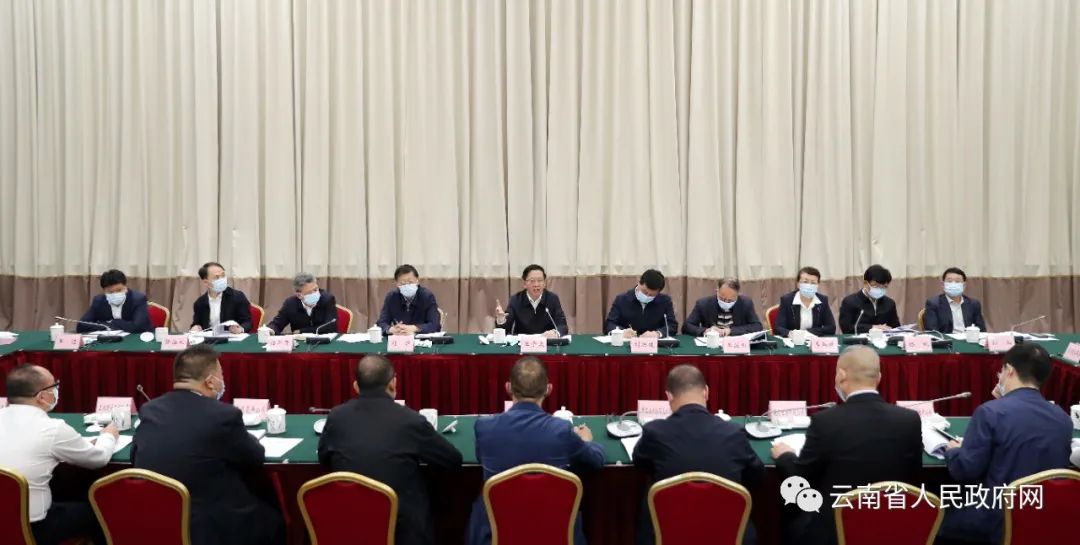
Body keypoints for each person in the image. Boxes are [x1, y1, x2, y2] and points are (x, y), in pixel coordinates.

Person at [132, 345, 283, 545]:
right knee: (274, 518)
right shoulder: (223, 415)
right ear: (211, 382)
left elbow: (135, 456)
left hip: (156, 522)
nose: (223, 380)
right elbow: (255, 457)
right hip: (208, 528)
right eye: (221, 375)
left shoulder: (149, 410)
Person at [771, 346, 921, 545]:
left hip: (834, 530)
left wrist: (785, 456)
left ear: (841, 375)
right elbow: (914, 477)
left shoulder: (825, 421)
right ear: (879, 377)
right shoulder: (909, 419)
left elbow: (801, 480)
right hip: (891, 525)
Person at [318, 355, 463, 545]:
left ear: (356, 386)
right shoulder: (410, 420)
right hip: (401, 531)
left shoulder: (336, 416)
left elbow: (324, 459)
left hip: (348, 525)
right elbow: (453, 460)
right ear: (393, 384)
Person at [937, 344, 1073, 545]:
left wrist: (954, 451)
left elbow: (965, 470)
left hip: (995, 519)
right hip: (1044, 517)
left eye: (1001, 371)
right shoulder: (1063, 418)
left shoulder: (990, 413)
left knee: (932, 517)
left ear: (1009, 370)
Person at [466, 357, 605, 545]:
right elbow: (596, 460)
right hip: (554, 531)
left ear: (508, 388)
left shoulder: (484, 427)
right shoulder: (561, 430)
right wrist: (586, 442)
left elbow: (480, 458)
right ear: (549, 389)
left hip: (495, 533)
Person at [633, 365, 764, 545]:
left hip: (668, 534)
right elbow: (757, 475)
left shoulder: (655, 432)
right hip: (728, 535)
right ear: (706, 392)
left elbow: (640, 463)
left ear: (669, 396)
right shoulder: (734, 433)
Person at [0, 364, 117, 545]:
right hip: (32, 527)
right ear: (41, 397)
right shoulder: (52, 429)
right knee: (97, 511)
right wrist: (108, 435)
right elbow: (99, 458)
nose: (56, 390)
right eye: (54, 386)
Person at [494, 264, 569, 337]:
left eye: (540, 280)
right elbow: (505, 330)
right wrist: (501, 320)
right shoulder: (516, 300)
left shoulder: (552, 299)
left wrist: (556, 333)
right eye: (532, 281)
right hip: (523, 343)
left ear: (544, 283)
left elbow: (562, 325)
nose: (536, 284)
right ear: (524, 283)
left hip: (546, 342)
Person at [604, 269, 678, 337]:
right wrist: (621, 332)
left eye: (651, 295)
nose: (647, 296)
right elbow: (609, 324)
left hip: (653, 343)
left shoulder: (665, 301)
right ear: (639, 282)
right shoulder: (621, 299)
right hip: (626, 342)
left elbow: (672, 325)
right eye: (645, 292)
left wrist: (658, 333)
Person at [76, 269, 153, 334]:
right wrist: (107, 325)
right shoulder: (99, 301)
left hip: (138, 340)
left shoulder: (138, 299)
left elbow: (138, 327)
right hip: (110, 342)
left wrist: (113, 323)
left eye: (119, 290)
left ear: (125, 286)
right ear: (104, 291)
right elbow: (82, 325)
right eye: (110, 292)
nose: (115, 294)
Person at [682, 277, 763, 337]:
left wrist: (731, 331)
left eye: (730, 300)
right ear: (717, 291)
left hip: (734, 345)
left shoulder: (745, 303)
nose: (726, 302)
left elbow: (757, 326)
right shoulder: (703, 304)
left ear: (737, 295)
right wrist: (706, 331)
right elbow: (687, 326)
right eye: (722, 299)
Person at [376, 264, 441, 335]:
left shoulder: (427, 296)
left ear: (417, 281)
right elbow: (381, 323)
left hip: (420, 338)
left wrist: (414, 328)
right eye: (403, 283)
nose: (407, 286)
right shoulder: (391, 297)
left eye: (410, 282)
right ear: (397, 284)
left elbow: (435, 325)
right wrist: (391, 329)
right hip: (399, 338)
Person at [772, 267, 836, 337]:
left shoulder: (822, 300)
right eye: (805, 282)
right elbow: (778, 328)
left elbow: (831, 327)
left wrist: (807, 333)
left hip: (814, 340)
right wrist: (790, 334)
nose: (809, 286)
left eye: (813, 283)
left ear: (818, 285)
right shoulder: (787, 300)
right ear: (798, 284)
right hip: (793, 340)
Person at [266, 272, 339, 334]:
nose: (315, 293)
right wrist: (270, 330)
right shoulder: (290, 304)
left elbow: (330, 327)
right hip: (300, 343)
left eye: (316, 289)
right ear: (299, 295)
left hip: (324, 342)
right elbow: (277, 324)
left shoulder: (327, 299)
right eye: (310, 292)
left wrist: (301, 331)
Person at [190, 262, 252, 333]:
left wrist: (241, 329)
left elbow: (247, 322)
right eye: (217, 277)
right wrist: (195, 327)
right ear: (206, 282)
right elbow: (196, 324)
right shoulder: (200, 303)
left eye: (223, 275)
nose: (222, 279)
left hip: (232, 337)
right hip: (208, 338)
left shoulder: (237, 297)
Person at [837, 265, 901, 334]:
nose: (879, 290)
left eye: (884, 287)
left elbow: (896, 328)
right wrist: (872, 327)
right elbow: (846, 328)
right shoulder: (849, 302)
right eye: (876, 286)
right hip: (859, 340)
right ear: (865, 283)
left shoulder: (889, 303)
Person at [922, 267, 987, 333]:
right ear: (943, 285)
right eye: (949, 281)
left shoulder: (973, 304)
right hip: (946, 339)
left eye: (957, 281)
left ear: (964, 285)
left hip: (969, 338)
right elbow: (933, 331)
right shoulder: (933, 303)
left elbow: (981, 330)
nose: (953, 284)